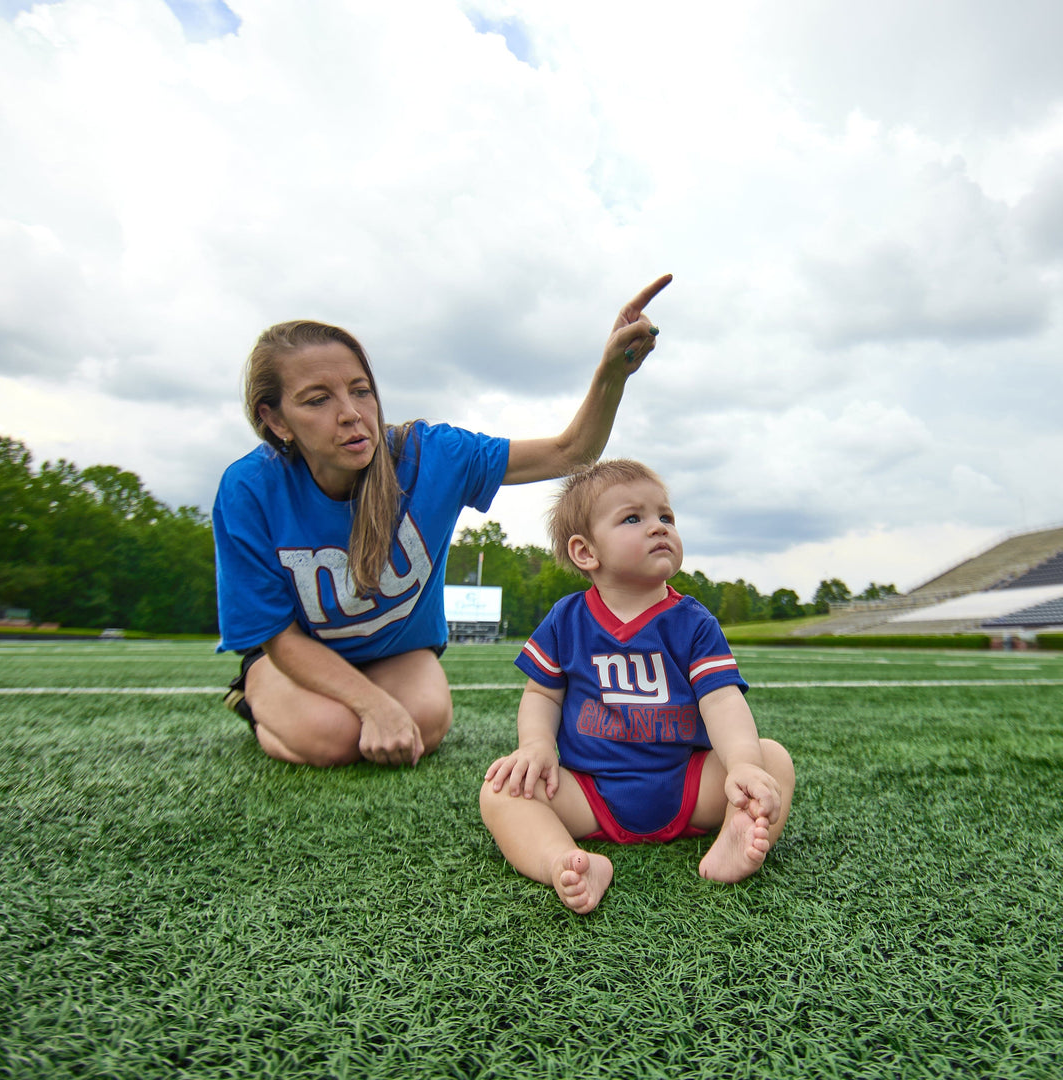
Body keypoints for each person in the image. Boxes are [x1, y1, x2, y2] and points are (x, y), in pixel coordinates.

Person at [213, 276, 671, 769]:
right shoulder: (249, 489)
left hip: (394, 652)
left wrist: (612, 374)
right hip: (299, 654)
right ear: (277, 420)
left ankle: (357, 706)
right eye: (317, 400)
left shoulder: (431, 456)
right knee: (331, 739)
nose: (351, 414)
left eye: (361, 391)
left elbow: (571, 452)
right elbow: (278, 635)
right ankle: (255, 701)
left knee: (425, 724)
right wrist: (374, 706)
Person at [480, 459, 795, 914]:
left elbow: (722, 700)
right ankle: (563, 859)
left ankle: (735, 832)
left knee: (773, 759)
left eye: (666, 516)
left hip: (688, 787)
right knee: (499, 790)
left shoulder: (694, 622)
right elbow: (541, 694)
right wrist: (535, 746)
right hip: (589, 794)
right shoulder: (566, 619)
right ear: (585, 552)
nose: (658, 527)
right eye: (633, 518)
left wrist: (743, 764)